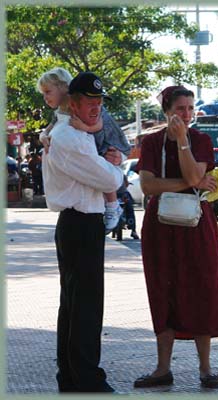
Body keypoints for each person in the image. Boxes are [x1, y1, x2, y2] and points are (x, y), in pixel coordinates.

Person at [134, 85, 218, 389]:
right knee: (162, 290)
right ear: (167, 111)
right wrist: (190, 181)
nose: (187, 115)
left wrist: (182, 145)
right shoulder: (150, 142)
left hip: (197, 224)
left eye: (191, 109)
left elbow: (193, 177)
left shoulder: (200, 140)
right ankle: (163, 368)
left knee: (203, 286)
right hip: (160, 225)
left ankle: (205, 368)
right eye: (180, 109)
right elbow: (148, 187)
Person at [41, 71, 124, 393]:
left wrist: (110, 164)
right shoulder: (70, 138)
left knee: (75, 304)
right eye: (89, 101)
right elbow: (109, 181)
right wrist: (115, 168)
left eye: (100, 100)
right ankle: (87, 378)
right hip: (80, 222)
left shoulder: (71, 134)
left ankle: (72, 376)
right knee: (86, 306)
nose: (96, 107)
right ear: (73, 103)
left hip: (80, 222)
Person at [37, 67, 131, 232]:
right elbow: (109, 180)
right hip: (78, 219)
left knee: (106, 161)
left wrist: (86, 128)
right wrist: (43, 136)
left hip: (104, 145)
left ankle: (113, 205)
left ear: (64, 89)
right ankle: (112, 206)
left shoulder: (76, 123)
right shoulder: (64, 127)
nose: (45, 97)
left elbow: (101, 125)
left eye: (48, 92)